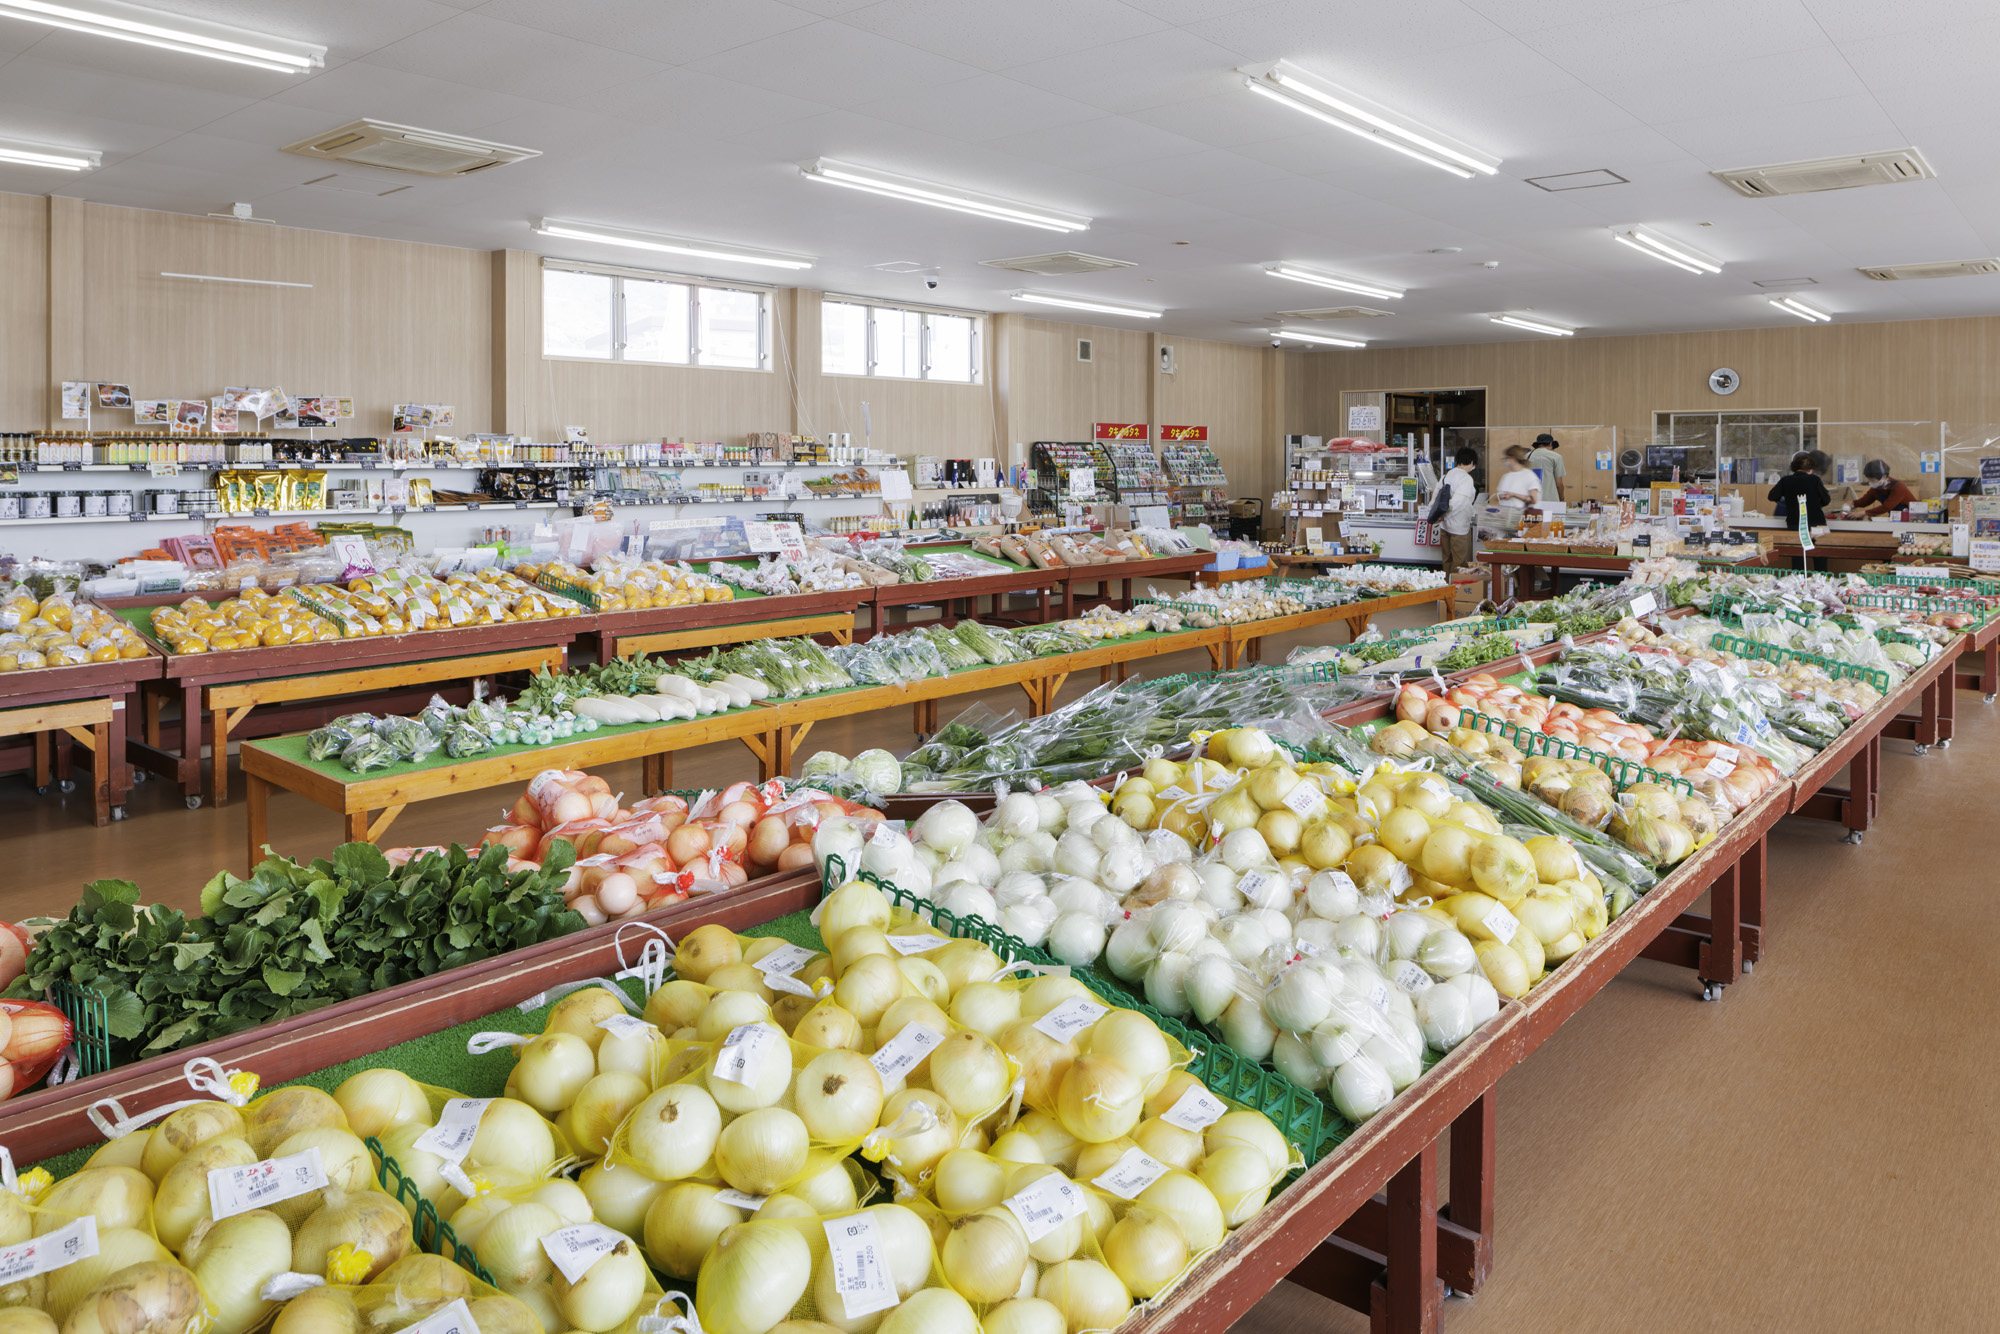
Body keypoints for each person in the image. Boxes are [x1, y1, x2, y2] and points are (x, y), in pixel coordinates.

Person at [1768, 451, 1831, 571]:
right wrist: (1816, 504)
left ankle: (1799, 584)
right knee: (1820, 554)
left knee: (1798, 555)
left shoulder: (1786, 480)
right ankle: (1821, 582)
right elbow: (1826, 500)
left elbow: (1772, 496)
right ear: (1811, 469)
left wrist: (1787, 502)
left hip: (1795, 524)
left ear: (1794, 468)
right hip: (1817, 523)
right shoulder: (1815, 480)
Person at [1436, 447, 1479, 574]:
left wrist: (1437, 516)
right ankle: (1458, 591)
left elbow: (1435, 498)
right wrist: (1446, 516)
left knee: (1447, 559)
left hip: (1444, 526)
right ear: (1471, 462)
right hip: (1459, 527)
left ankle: (1446, 587)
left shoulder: (1446, 476)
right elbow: (1458, 502)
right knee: (1460, 562)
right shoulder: (1466, 478)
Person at [1844, 459, 1917, 518]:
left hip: (1912, 518)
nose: (1870, 482)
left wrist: (1864, 513)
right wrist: (1852, 503)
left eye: (1873, 480)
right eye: (1869, 480)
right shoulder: (1876, 488)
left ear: (1884, 477)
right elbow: (1865, 501)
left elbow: (1887, 506)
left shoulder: (1899, 486)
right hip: (1896, 518)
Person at [1494, 444, 1542, 529]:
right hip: (1506, 521)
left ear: (1511, 459)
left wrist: (1513, 495)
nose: (1504, 462)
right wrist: (1501, 496)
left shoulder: (1529, 475)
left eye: (1505, 459)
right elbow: (1497, 496)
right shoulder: (1506, 476)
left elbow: (1533, 499)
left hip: (1523, 521)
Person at [1527, 432, 1565, 502]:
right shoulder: (1556, 457)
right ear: (1551, 443)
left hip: (1531, 499)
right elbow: (1558, 484)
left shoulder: (1526, 456)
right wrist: (1561, 498)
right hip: (1550, 500)